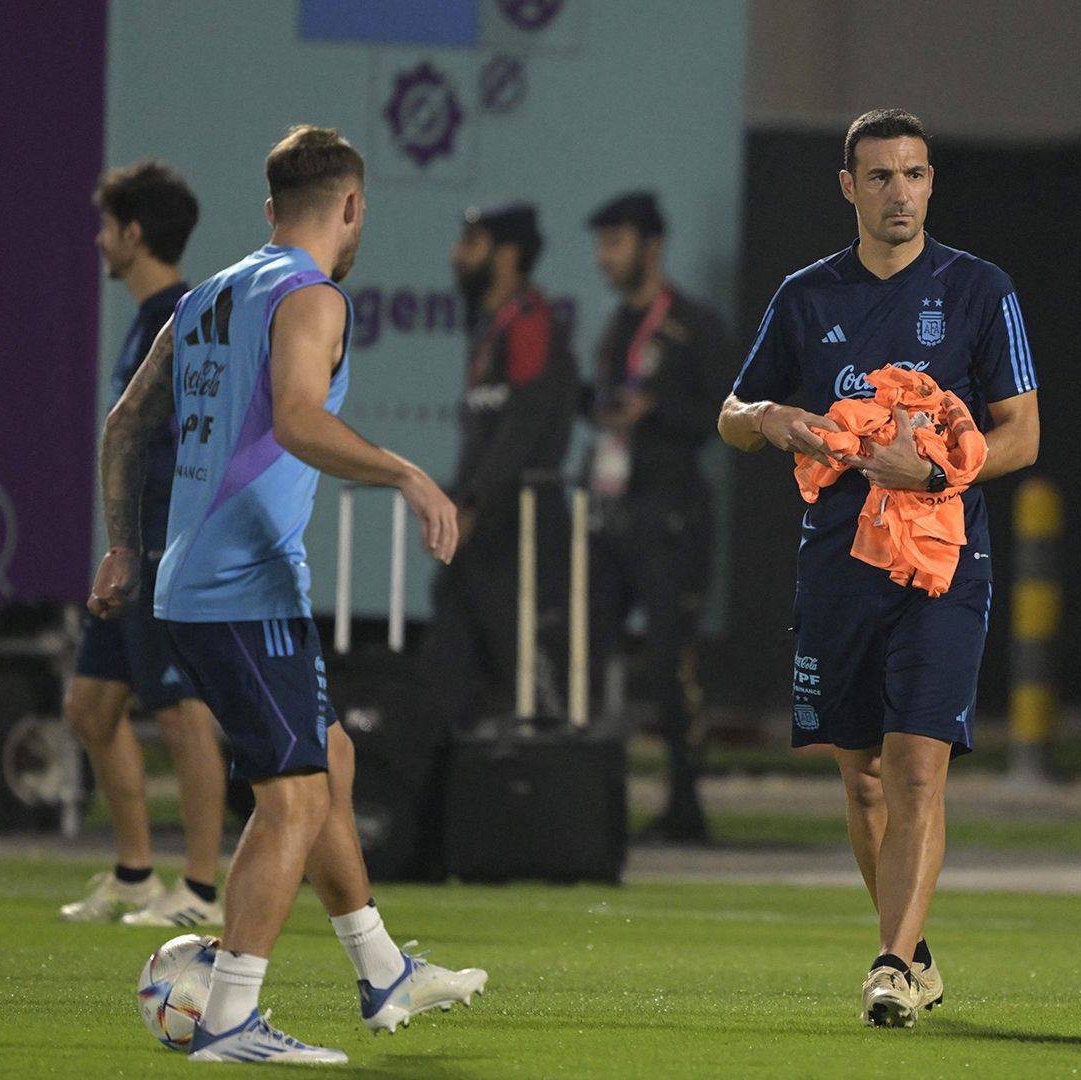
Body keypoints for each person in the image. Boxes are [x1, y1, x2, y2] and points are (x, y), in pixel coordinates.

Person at [89, 125, 486, 1065]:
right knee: (295, 799)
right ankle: (227, 1016)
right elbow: (302, 419)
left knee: (330, 764)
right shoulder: (313, 297)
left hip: (199, 580)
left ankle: (382, 970)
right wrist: (408, 477)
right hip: (243, 587)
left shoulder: (209, 295)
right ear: (351, 208)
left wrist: (120, 548)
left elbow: (124, 425)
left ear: (271, 211)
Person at [718, 108, 1041, 1028]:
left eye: (915, 174)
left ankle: (891, 962)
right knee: (859, 776)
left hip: (942, 564)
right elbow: (734, 411)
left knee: (915, 770)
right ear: (849, 187)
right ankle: (915, 949)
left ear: (932, 183)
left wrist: (936, 468)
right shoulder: (807, 296)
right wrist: (768, 420)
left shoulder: (980, 290)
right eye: (881, 176)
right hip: (838, 562)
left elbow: (1024, 433)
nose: (900, 193)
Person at [62, 160, 227, 929]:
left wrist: (174, 542)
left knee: (182, 713)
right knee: (91, 707)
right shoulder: (148, 314)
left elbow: (202, 441)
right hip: (131, 548)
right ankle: (134, 874)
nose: (98, 241)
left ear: (134, 233)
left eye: (106, 227)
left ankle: (198, 890)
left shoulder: (186, 317)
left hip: (167, 546)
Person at [582, 192, 730, 842]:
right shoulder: (616, 328)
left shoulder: (695, 326)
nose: (604, 257)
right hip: (616, 513)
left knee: (671, 661)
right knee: (590, 654)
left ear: (652, 246)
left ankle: (686, 803)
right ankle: (594, 797)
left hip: (673, 517)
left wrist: (656, 414)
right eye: (602, 243)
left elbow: (728, 418)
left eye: (616, 242)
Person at [416, 201, 576, 731]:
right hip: (489, 519)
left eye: (471, 244)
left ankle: (539, 785)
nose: (455, 257)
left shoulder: (529, 319)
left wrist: (473, 505)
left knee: (524, 661)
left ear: (506, 255)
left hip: (518, 523)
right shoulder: (494, 321)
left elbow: (522, 426)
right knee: (453, 656)